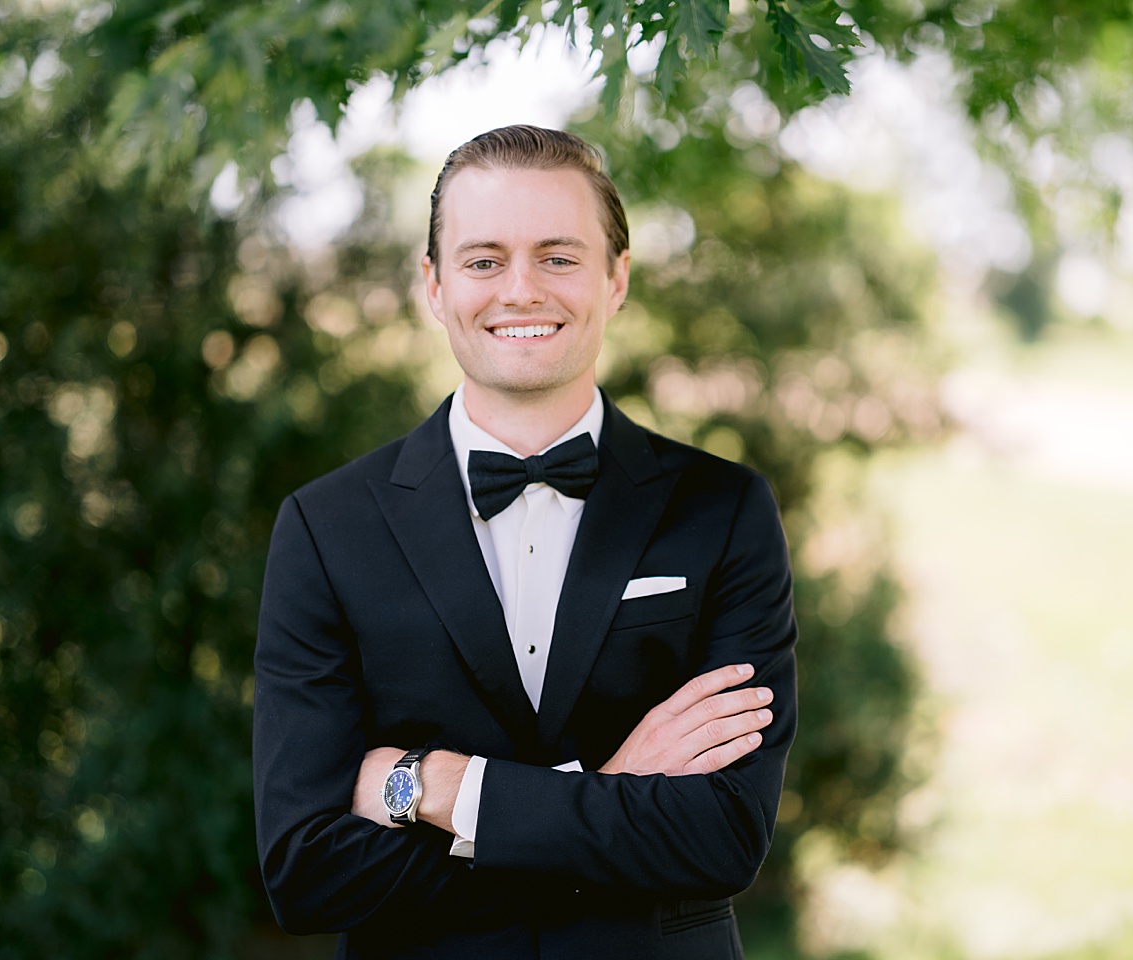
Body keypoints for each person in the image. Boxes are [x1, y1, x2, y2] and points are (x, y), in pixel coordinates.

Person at [252, 124, 798, 960]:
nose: (521, 290)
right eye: (483, 260)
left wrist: (443, 788)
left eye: (559, 256)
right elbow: (307, 872)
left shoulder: (723, 510)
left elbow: (722, 836)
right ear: (434, 286)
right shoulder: (327, 528)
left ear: (616, 279)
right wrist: (609, 794)